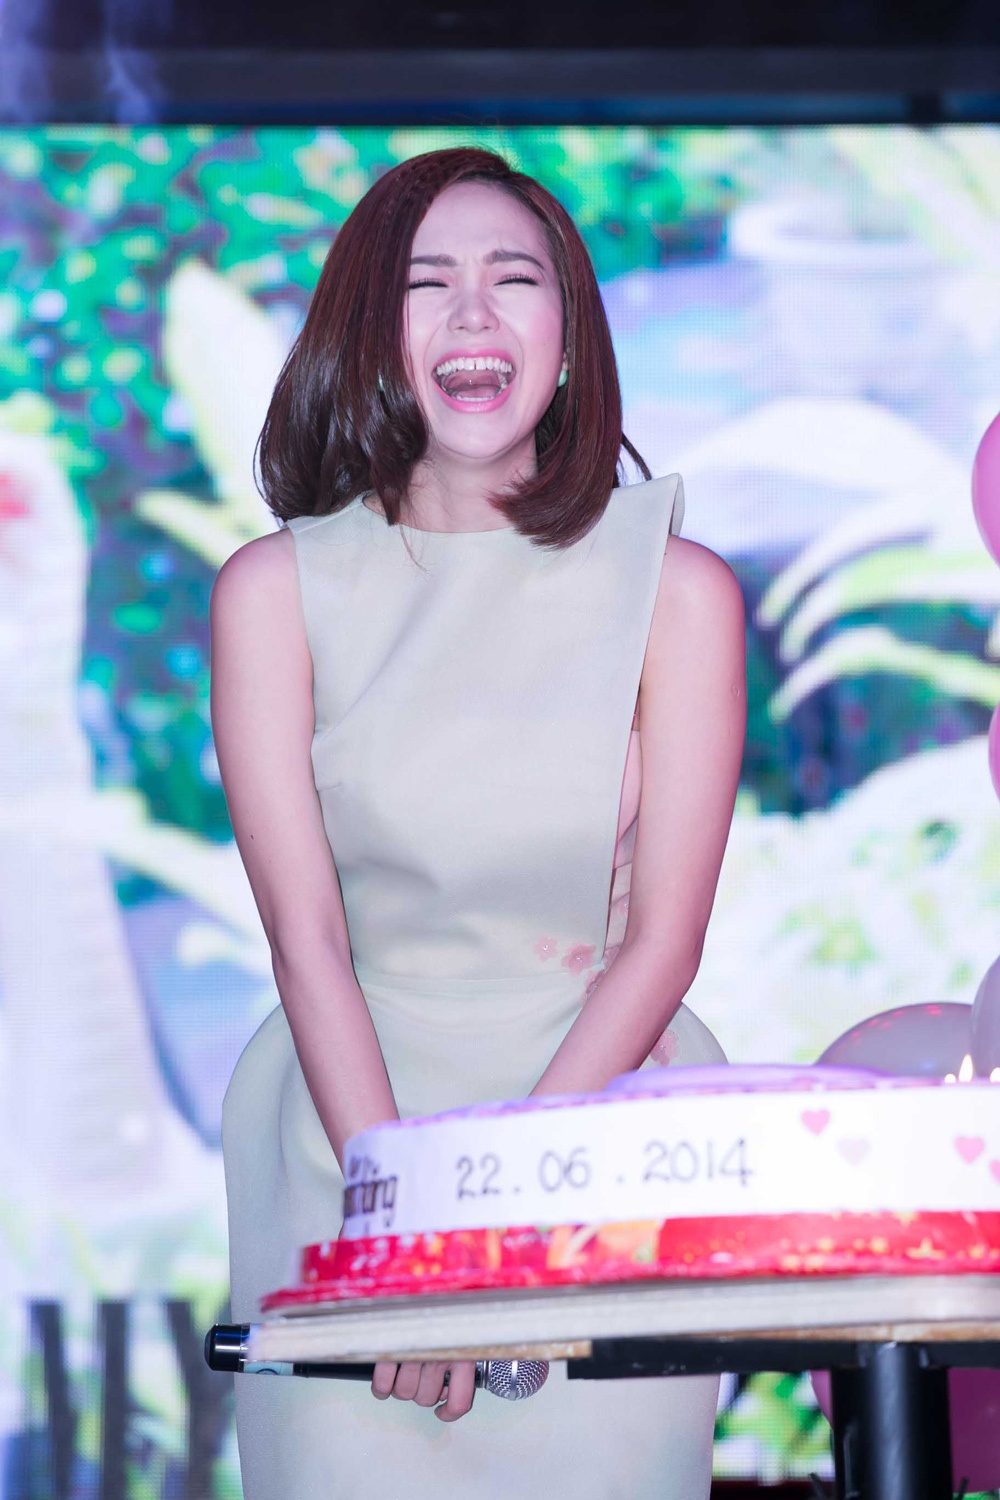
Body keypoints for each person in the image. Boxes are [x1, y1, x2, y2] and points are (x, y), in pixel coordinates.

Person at [212, 146, 745, 1500]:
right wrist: (405, 1223)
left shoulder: (677, 591)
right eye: (424, 282)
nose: (470, 314)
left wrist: (494, 1216)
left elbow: (662, 947)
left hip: (603, 1140)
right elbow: (307, 943)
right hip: (350, 1149)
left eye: (514, 279)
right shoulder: (275, 593)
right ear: (370, 332)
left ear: (568, 338)